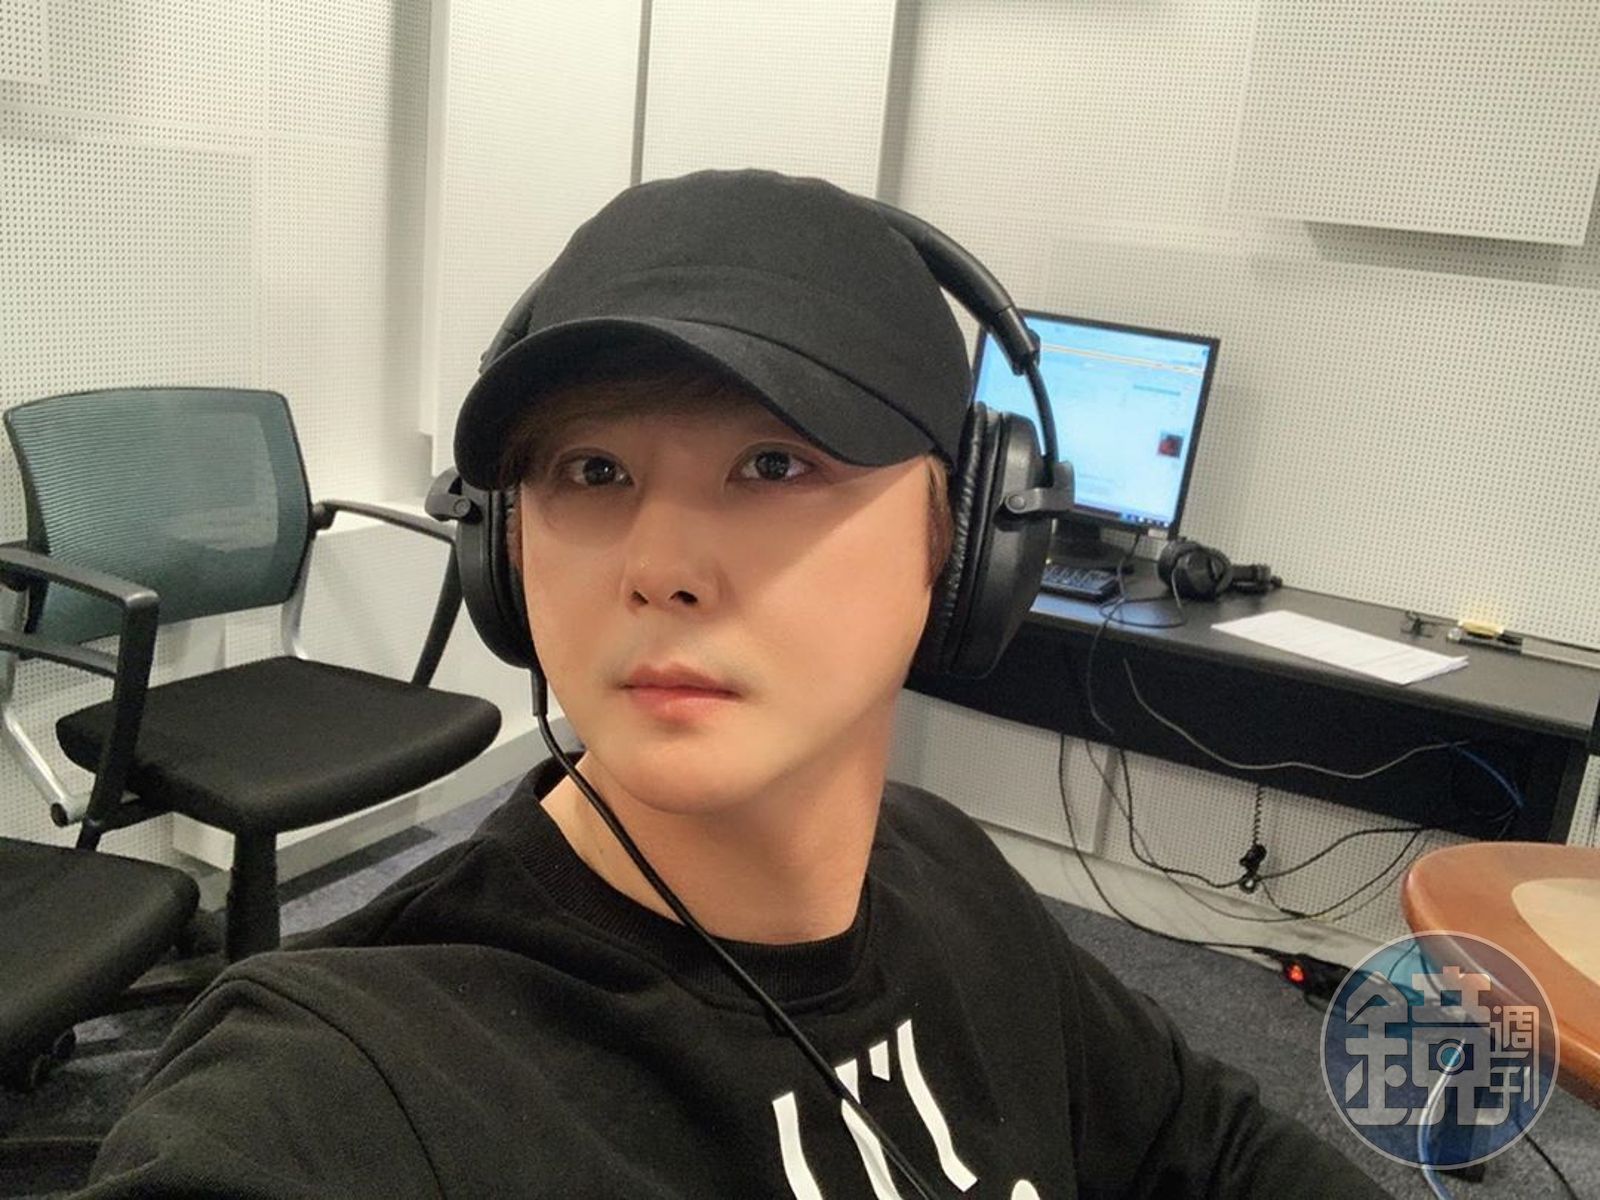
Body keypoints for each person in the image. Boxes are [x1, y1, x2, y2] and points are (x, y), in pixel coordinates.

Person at [79, 169, 1388, 1198]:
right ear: (500, 545)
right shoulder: (343, 1080)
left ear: (968, 541)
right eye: (592, 471)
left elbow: (1212, 1146)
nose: (660, 568)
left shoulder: (953, 875)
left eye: (774, 465)